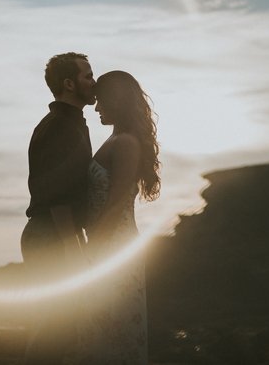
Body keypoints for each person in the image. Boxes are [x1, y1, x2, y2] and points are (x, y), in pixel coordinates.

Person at [21, 52, 97, 365]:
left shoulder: (73, 123)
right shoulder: (60, 126)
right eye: (88, 76)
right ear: (69, 84)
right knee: (57, 322)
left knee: (62, 322)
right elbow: (55, 193)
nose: (95, 83)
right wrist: (71, 244)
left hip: (56, 231)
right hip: (50, 233)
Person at [79, 71, 159, 365]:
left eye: (101, 101)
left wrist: (94, 248)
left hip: (114, 243)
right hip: (109, 240)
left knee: (112, 331)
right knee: (100, 326)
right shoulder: (116, 139)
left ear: (117, 101)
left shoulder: (125, 143)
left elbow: (115, 204)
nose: (97, 107)